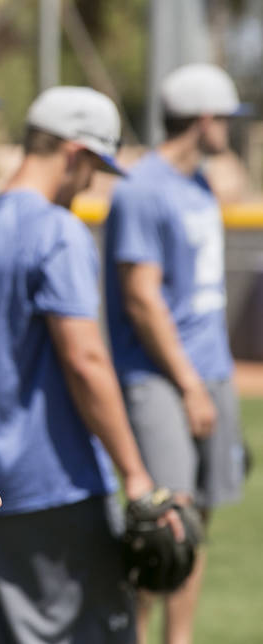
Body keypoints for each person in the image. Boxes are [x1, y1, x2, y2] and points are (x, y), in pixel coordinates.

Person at [0, 87, 161, 643]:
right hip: (54, 491)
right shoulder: (58, 231)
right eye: (93, 171)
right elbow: (85, 360)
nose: (89, 185)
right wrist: (137, 476)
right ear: (75, 154)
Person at [103, 62, 247, 644]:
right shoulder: (143, 188)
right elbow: (141, 298)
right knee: (161, 528)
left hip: (209, 370)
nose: (233, 130)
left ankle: (178, 640)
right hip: (160, 376)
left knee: (199, 522)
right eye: (228, 119)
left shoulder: (200, 182)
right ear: (206, 119)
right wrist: (188, 384)